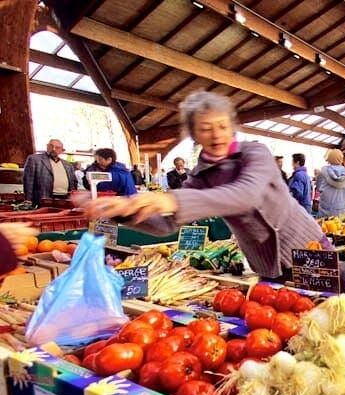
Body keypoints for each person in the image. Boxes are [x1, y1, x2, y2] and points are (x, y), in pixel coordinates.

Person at [79, 91, 327, 281]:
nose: (216, 135)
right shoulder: (200, 176)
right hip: (268, 267)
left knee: (342, 322)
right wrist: (124, 212)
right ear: (195, 136)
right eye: (206, 129)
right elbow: (167, 224)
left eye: (222, 126)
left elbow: (247, 195)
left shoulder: (255, 153)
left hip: (308, 250)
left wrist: (172, 200)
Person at [22, 138, 77, 206]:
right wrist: (28, 199)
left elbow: (73, 183)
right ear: (47, 146)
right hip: (44, 199)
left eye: (57, 147)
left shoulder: (68, 165)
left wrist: (74, 199)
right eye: (51, 146)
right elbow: (28, 181)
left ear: (62, 150)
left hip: (65, 199)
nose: (53, 149)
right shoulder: (34, 159)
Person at [317, 149, 345, 217]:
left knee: (325, 226)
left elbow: (318, 188)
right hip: (342, 211)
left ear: (329, 159)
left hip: (325, 209)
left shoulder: (323, 173)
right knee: (339, 226)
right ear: (341, 159)